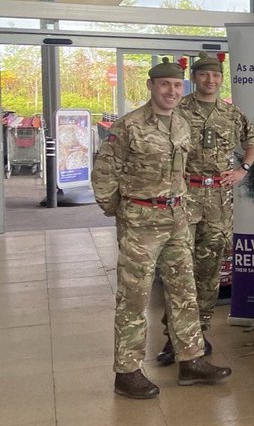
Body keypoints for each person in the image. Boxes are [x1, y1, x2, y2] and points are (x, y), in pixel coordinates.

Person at [92, 56, 232, 399]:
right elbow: (104, 174)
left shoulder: (181, 124)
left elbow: (182, 171)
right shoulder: (129, 126)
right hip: (141, 223)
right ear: (151, 86)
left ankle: (191, 361)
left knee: (184, 292)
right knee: (134, 297)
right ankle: (127, 371)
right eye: (165, 84)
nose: (172, 91)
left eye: (177, 85)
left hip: (177, 218)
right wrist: (122, 211)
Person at [156, 52, 254, 365]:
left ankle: (199, 333)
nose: (210, 80)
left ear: (221, 78)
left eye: (215, 75)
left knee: (209, 272)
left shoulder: (231, 114)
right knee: (177, 270)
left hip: (217, 201)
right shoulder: (178, 109)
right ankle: (173, 338)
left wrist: (243, 167)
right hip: (185, 197)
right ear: (195, 78)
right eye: (204, 75)